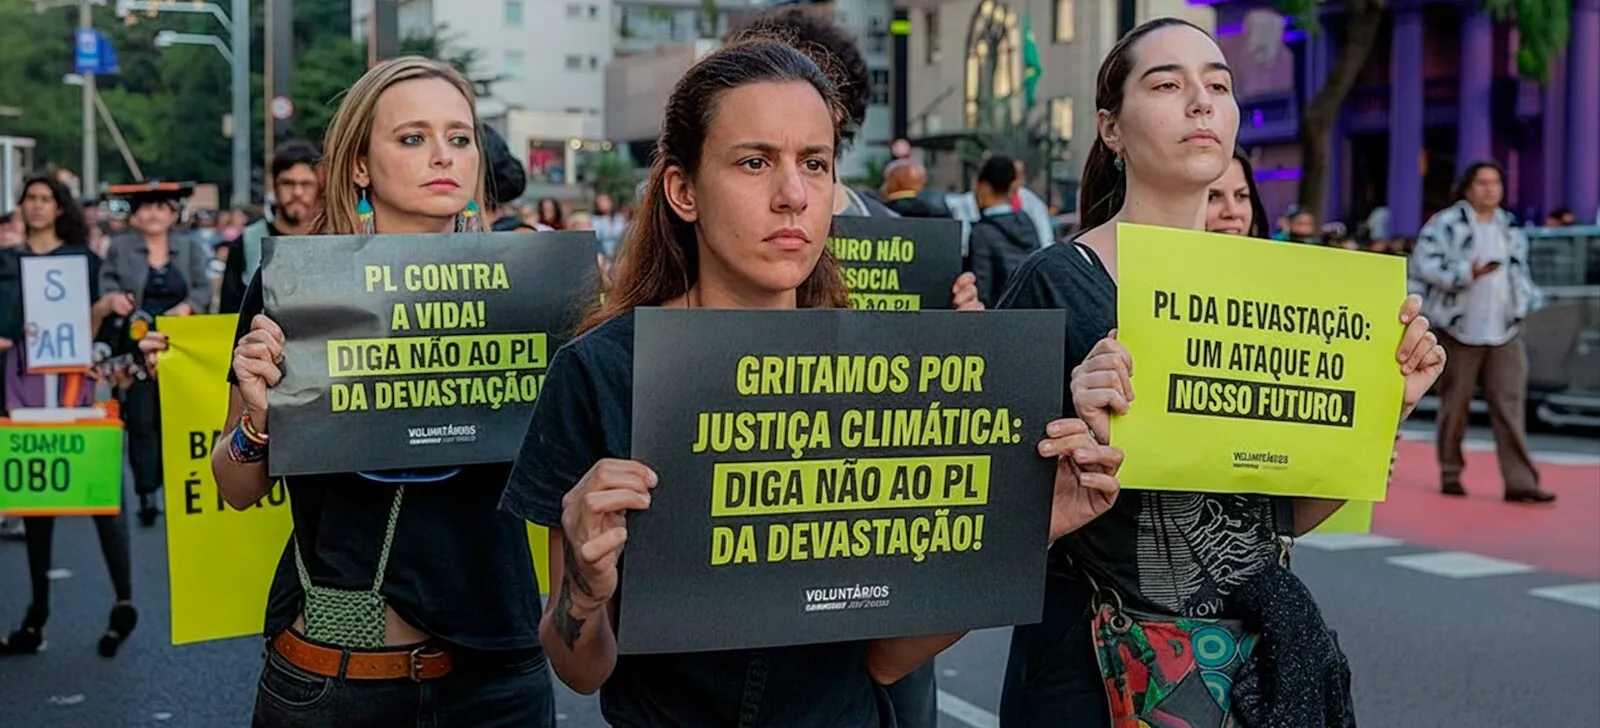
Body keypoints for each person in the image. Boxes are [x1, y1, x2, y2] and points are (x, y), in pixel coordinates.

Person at [497, 39, 1113, 728]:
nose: (792, 195)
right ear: (683, 191)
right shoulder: (599, 372)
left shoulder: (882, 378)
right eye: (755, 162)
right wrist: (583, 592)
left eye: (814, 164)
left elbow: (884, 659)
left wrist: (1025, 529)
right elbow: (579, 667)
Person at [993, 19, 1446, 727]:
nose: (1201, 101)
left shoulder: (1284, 296)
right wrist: (1077, 432)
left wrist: (1381, 408)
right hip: (1091, 676)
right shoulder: (1055, 282)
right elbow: (981, 519)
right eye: (1166, 84)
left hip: (1247, 673)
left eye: (1219, 85)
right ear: (1110, 129)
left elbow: (1280, 523)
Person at [211, 57, 555, 726]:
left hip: (499, 681)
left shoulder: (530, 291)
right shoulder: (298, 289)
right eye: (412, 137)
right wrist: (257, 422)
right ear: (360, 166)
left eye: (460, 138)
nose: (443, 156)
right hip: (338, 677)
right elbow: (236, 487)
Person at [0, 176, 145, 657]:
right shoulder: (7, 262)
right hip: (25, 391)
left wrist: (103, 314)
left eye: (46, 198)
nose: (38, 206)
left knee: (104, 496)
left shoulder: (84, 262)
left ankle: (123, 600)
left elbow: (105, 330)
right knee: (37, 504)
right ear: (22, 206)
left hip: (76, 391)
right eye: (31, 198)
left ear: (59, 207)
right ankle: (37, 614)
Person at [1410, 161, 1553, 503]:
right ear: (1468, 187)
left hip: (1505, 328)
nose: (1490, 189)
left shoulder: (1509, 225)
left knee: (1510, 407)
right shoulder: (1446, 223)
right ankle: (1451, 473)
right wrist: (1466, 273)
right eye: (1482, 182)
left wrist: (1526, 302)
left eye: (1495, 182)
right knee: (1454, 407)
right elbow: (1423, 264)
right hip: (1459, 327)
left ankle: (1521, 481)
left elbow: (1520, 271)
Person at [99, 182, 212, 527]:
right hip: (136, 347)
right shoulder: (119, 248)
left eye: (161, 207)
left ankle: (179, 489)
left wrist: (188, 308)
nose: (153, 214)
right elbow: (106, 287)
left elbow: (204, 288)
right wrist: (117, 301)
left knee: (178, 419)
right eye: (145, 208)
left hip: (179, 344)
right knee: (141, 420)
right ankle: (147, 492)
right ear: (134, 216)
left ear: (173, 214)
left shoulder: (190, 247)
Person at [231, 140, 322, 313]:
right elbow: (229, 312)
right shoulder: (246, 243)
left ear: (319, 187)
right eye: (288, 183)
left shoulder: (332, 241)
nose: (297, 193)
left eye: (306, 184)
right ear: (274, 185)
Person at [969, 154, 1041, 307]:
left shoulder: (982, 232)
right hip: (1030, 310)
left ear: (984, 186)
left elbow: (982, 287)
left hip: (1000, 314)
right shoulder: (1026, 222)